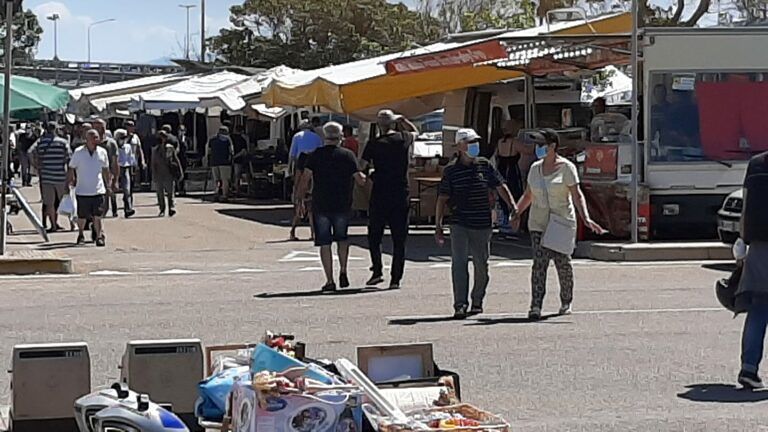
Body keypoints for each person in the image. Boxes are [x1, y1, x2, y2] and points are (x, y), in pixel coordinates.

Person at [514, 129, 607, 321]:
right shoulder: (535, 168)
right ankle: (536, 305)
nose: (537, 149)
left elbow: (577, 195)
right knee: (539, 264)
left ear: (552, 146)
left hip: (561, 223)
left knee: (562, 263)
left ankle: (566, 301)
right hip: (539, 222)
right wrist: (516, 212)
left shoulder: (567, 168)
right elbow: (528, 195)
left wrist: (586, 218)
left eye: (541, 145)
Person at [436, 128, 519, 319]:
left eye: (475, 142)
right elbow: (442, 198)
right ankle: (460, 304)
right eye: (469, 142)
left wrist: (513, 207)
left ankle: (477, 301)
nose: (474, 146)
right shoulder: (451, 171)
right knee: (459, 263)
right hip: (459, 223)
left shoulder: (485, 165)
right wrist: (438, 226)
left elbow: (501, 186)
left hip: (482, 223)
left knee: (481, 265)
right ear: (459, 146)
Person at [297, 122, 366, 292]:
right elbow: (360, 179)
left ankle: (329, 279)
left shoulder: (315, 155)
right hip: (342, 202)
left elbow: (305, 179)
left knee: (324, 242)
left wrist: (299, 199)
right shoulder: (348, 155)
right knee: (342, 239)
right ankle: (343, 270)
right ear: (341, 136)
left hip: (321, 202)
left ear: (325, 136)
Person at [359, 109, 419, 290]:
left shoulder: (374, 143)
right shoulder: (403, 138)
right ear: (393, 123)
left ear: (379, 125)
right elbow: (416, 132)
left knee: (374, 235)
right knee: (399, 238)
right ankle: (395, 279)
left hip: (380, 192)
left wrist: (370, 173)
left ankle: (377, 270)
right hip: (400, 192)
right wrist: (404, 119)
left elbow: (362, 166)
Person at [734, 150, 768, 389]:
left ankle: (748, 369)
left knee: (759, 307)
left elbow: (746, 206)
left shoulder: (756, 164)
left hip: (758, 246)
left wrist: (743, 241)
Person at [68, 129, 111, 246]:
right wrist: (71, 180)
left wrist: (109, 184)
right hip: (82, 190)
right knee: (82, 216)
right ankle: (81, 234)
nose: (95, 140)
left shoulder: (102, 152)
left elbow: (106, 169)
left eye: (97, 137)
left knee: (98, 216)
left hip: (98, 189)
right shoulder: (78, 152)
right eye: (93, 137)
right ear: (86, 140)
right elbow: (71, 167)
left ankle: (99, 236)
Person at [31, 122, 72, 232]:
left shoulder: (41, 142)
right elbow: (69, 158)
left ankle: (53, 225)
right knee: (66, 200)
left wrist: (36, 165)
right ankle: (73, 224)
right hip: (60, 176)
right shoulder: (63, 142)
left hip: (46, 177)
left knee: (50, 203)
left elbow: (30, 152)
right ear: (56, 129)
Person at [289, 121, 322, 241]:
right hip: (313, 182)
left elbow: (292, 155)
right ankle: (313, 233)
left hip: (302, 182)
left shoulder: (297, 138)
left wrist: (295, 185)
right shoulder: (317, 139)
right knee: (311, 209)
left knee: (299, 208)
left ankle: (293, 231)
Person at [152, 131, 183, 217]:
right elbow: (153, 164)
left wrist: (180, 172)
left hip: (169, 173)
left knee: (170, 192)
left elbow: (176, 160)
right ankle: (162, 209)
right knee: (160, 193)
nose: (163, 139)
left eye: (164, 137)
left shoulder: (170, 148)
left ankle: (171, 208)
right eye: (161, 137)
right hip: (159, 174)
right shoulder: (155, 150)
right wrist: (154, 176)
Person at [93, 119, 119, 217]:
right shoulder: (88, 144)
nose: (99, 130)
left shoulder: (111, 143)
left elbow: (115, 162)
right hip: (92, 175)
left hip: (106, 174)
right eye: (97, 128)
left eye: (102, 128)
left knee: (106, 198)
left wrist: (115, 179)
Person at [206, 125, 235, 202]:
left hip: (214, 162)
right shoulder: (228, 140)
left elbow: (209, 152)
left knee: (216, 179)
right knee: (225, 180)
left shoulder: (212, 140)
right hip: (225, 163)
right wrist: (231, 160)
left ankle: (216, 193)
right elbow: (231, 151)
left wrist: (209, 161)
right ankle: (224, 195)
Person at [114, 129, 136, 218]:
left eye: (124, 137)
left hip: (125, 168)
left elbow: (131, 158)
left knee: (127, 190)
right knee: (113, 191)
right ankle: (114, 210)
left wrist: (133, 168)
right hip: (115, 168)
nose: (123, 139)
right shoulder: (113, 146)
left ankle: (128, 209)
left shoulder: (128, 147)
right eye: (121, 137)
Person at [232, 125, 249, 195]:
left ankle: (233, 188)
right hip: (239, 160)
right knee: (237, 176)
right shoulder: (243, 139)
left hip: (229, 160)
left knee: (233, 175)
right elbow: (244, 151)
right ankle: (237, 190)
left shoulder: (231, 138)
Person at [176, 124, 189, 196]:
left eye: (183, 130)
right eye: (180, 130)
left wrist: (183, 140)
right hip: (177, 158)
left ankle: (182, 189)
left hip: (184, 159)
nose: (182, 132)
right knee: (177, 174)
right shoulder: (175, 139)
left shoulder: (186, 139)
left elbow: (186, 148)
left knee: (183, 174)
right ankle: (177, 189)